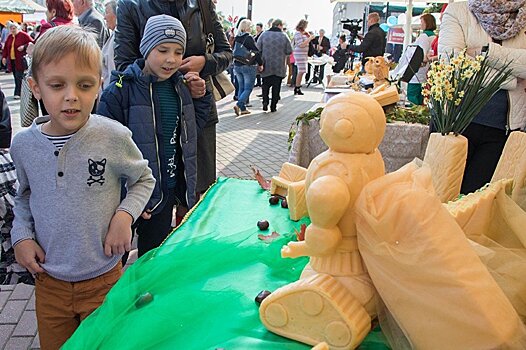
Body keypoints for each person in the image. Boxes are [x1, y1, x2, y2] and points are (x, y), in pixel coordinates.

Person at [10, 25, 155, 349]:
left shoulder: (113, 136)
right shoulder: (23, 146)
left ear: (99, 86)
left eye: (84, 85)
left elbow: (144, 179)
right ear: (35, 87)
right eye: (57, 85)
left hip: (104, 278)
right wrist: (21, 236)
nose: (71, 95)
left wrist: (124, 216)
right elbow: (24, 196)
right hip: (49, 283)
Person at [98, 15, 210, 256]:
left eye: (178, 52)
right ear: (146, 48)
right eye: (163, 50)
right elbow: (103, 150)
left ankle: (143, 293)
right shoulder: (120, 90)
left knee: (152, 258)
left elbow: (193, 128)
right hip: (127, 198)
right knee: (116, 257)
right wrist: (126, 199)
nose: (171, 59)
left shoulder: (180, 87)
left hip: (164, 194)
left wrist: (201, 97)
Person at [115, 0, 232, 195]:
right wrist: (170, 80)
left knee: (197, 193)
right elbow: (124, 65)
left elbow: (226, 53)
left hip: (198, 111)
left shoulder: (203, 3)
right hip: (152, 113)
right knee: (155, 193)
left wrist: (204, 62)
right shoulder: (130, 5)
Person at [439, 0, 526, 194]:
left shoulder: (523, 13)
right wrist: (512, 78)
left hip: (503, 130)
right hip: (456, 123)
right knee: (442, 197)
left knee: (478, 204)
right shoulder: (459, 10)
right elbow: (452, 64)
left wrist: (488, 52)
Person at [256, 18, 292, 112]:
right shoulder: (284, 36)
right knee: (276, 87)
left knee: (265, 85)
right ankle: (273, 106)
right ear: (280, 25)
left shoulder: (264, 35)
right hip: (279, 66)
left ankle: (265, 102)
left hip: (266, 65)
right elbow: (289, 50)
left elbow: (258, 48)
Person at [232, 19, 263, 115]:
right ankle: (239, 104)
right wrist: (260, 64)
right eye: (250, 26)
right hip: (248, 66)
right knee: (248, 88)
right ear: (247, 27)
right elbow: (256, 52)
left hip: (237, 65)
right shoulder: (248, 38)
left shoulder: (237, 38)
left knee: (241, 87)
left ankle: (243, 109)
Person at [406, 14, 436, 105]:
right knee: (422, 97)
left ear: (427, 23)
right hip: (426, 72)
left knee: (413, 96)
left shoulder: (424, 36)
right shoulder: (434, 36)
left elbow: (420, 54)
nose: (420, 25)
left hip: (417, 71)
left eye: (422, 22)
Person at [1, 22, 33, 99]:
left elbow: (32, 42)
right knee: (16, 76)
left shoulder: (23, 35)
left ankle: (17, 93)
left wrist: (24, 46)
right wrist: (4, 57)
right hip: (12, 60)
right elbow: (5, 48)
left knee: (19, 76)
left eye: (14, 28)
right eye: (11, 29)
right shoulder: (10, 37)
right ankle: (23, 92)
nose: (12, 30)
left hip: (21, 59)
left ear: (18, 28)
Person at [292, 19, 314, 95]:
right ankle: (297, 87)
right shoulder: (298, 33)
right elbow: (301, 44)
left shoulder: (304, 33)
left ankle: (298, 86)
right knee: (301, 71)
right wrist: (309, 39)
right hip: (299, 53)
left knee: (303, 71)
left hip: (304, 54)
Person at [101, 0, 116, 89]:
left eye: (107, 13)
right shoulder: (113, 35)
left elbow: (112, 70)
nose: (104, 17)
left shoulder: (117, 38)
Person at [254, 22, 263, 87]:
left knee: (259, 67)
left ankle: (260, 82)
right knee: (257, 68)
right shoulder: (256, 34)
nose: (257, 29)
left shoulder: (262, 34)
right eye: (256, 28)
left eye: (258, 28)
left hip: (261, 52)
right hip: (256, 52)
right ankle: (258, 81)